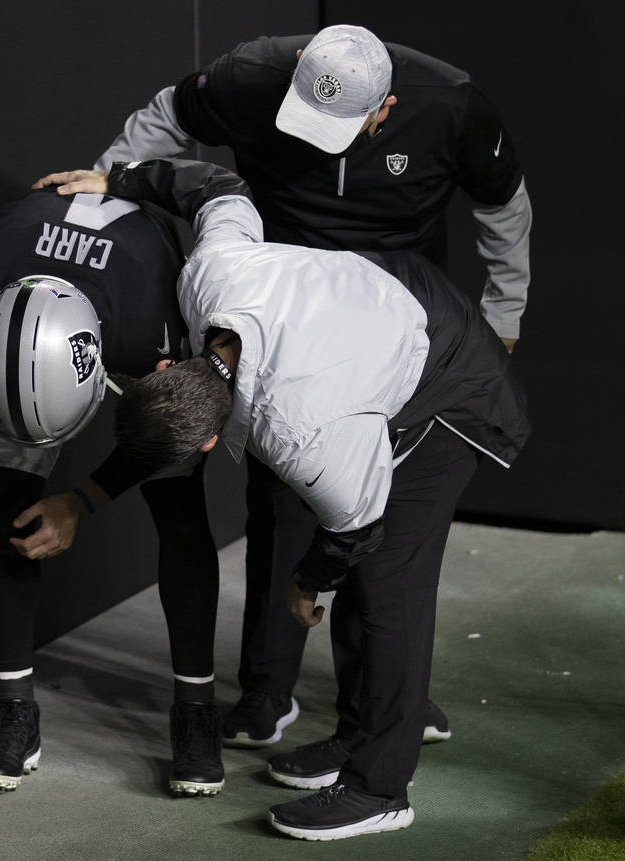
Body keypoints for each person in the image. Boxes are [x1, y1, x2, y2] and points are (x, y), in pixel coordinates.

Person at [32, 158, 529, 839]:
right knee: (355, 563)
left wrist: (308, 582)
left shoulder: (301, 432)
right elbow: (219, 187)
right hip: (382, 304)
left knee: (387, 586)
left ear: (204, 442)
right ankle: (356, 735)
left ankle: (381, 787)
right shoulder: (210, 280)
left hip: (451, 384)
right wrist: (119, 178)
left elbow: (358, 520)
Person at [88, 23, 532, 747]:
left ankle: (381, 698)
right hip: (277, 305)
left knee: (372, 526)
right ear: (296, 69)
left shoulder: (451, 105)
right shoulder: (247, 80)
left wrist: (503, 315)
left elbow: (505, 210)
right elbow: (179, 140)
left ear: (384, 111)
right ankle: (268, 691)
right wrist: (107, 189)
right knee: (278, 506)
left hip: (394, 318)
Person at [0, 180, 250, 796]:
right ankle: (12, 713)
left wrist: (83, 500)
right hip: (29, 303)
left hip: (140, 321)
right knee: (10, 509)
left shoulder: (162, 322)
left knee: (180, 507)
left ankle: (194, 710)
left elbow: (178, 432)